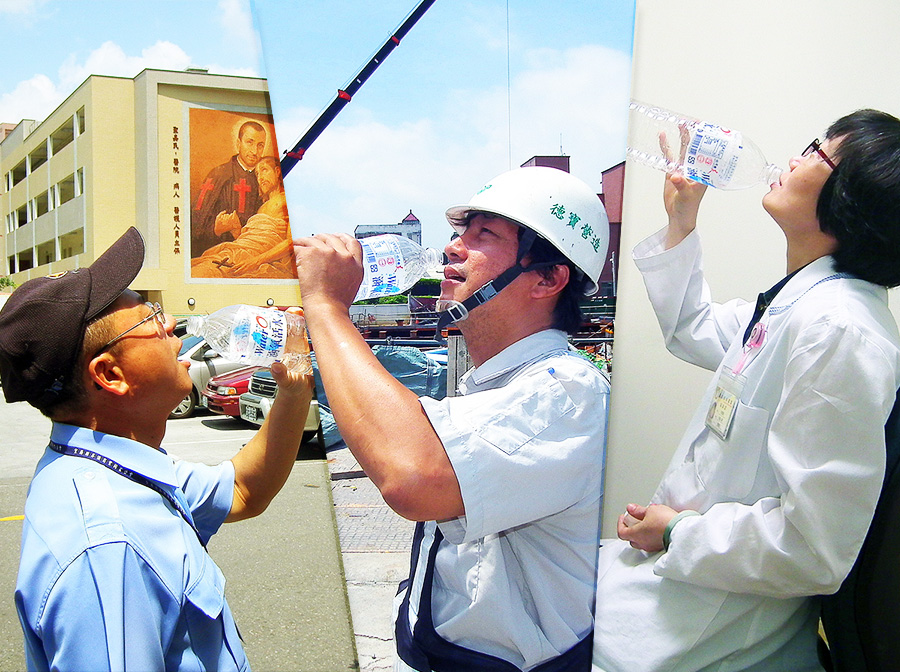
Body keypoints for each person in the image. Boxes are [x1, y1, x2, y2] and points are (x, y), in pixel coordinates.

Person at [592, 109, 900, 671]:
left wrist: (677, 532)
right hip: (677, 594)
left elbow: (813, 549)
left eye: (817, 151)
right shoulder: (801, 304)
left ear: (855, 196)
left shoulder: (838, 329)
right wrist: (681, 219)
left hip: (709, 634)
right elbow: (694, 328)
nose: (792, 159)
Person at [293, 166, 611, 671]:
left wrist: (327, 308)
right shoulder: (495, 384)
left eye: (484, 234)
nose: (453, 248)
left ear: (548, 278)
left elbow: (414, 477)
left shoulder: (563, 392)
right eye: (460, 232)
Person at [1, 227, 314, 671]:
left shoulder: (114, 465)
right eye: (147, 315)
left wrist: (295, 382)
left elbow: (245, 488)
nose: (169, 322)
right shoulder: (107, 547)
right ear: (109, 374)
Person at [192, 157, 295, 279]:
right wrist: (236, 230)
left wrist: (256, 261)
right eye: (257, 174)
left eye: (264, 170)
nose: (260, 177)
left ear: (277, 172)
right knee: (199, 270)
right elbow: (252, 238)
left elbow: (292, 241)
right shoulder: (261, 208)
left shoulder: (288, 199)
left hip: (256, 256)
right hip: (241, 250)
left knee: (206, 273)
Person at [191, 120, 267, 257]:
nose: (255, 151)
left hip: (252, 253)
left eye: (260, 145)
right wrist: (216, 230)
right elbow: (196, 224)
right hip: (218, 252)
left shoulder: (265, 180)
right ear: (238, 144)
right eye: (249, 142)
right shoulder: (219, 175)